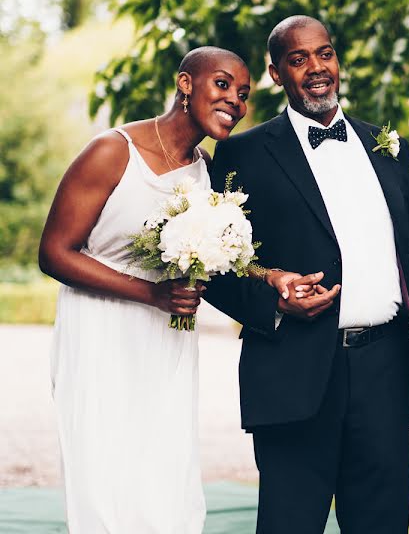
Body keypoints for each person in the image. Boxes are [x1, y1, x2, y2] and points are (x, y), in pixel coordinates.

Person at [202, 15, 409, 534]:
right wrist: (273, 304)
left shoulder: (387, 149)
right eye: (298, 59)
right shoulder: (242, 154)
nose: (316, 68)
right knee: (289, 523)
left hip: (385, 372)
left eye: (324, 53)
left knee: (382, 523)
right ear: (276, 74)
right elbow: (214, 266)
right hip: (294, 371)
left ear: (337, 60)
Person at [39, 46, 253, 533]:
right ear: (185, 84)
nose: (235, 102)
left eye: (243, 95)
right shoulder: (113, 151)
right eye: (222, 85)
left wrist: (270, 277)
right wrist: (151, 294)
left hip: (166, 336)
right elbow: (54, 252)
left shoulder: (207, 174)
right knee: (104, 466)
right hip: (98, 327)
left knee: (164, 463)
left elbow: (223, 256)